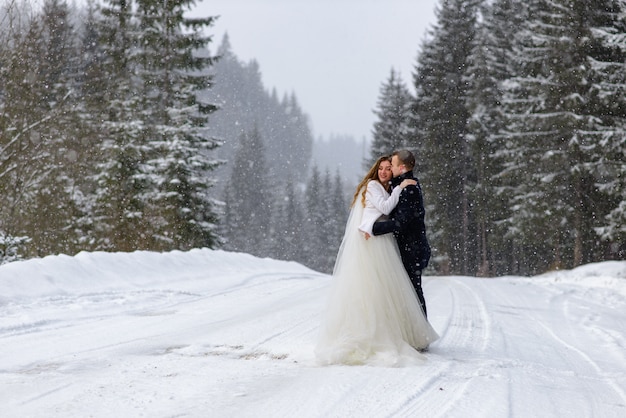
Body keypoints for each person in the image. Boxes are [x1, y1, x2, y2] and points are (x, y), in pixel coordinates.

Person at [315, 156, 438, 366]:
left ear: (394, 170)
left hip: (385, 242)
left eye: (388, 168)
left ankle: (405, 333)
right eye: (380, 168)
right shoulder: (374, 186)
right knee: (376, 288)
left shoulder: (390, 186)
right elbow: (385, 209)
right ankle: (372, 333)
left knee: (393, 290)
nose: (383, 171)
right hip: (375, 241)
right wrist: (374, 225)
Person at [372, 150, 431, 318]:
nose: (389, 168)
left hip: (413, 249)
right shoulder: (401, 185)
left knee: (413, 292)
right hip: (408, 247)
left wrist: (375, 228)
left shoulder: (409, 188)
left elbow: (401, 222)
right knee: (408, 292)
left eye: (393, 165)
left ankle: (421, 336)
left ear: (402, 167)